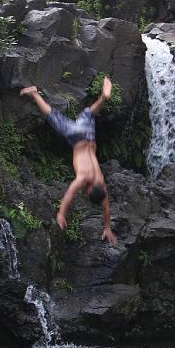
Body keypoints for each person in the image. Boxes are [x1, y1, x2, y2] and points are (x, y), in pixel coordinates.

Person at [20, 76, 117, 245]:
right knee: (52, 116)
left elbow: (106, 207)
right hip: (76, 136)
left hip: (88, 136)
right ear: (88, 191)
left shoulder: (101, 184)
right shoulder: (83, 179)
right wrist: (61, 214)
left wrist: (108, 227)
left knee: (88, 113)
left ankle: (102, 98)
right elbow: (69, 195)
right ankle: (35, 94)